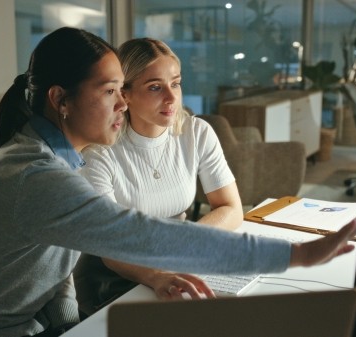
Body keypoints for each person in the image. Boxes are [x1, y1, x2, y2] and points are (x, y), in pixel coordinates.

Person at [0, 27, 356, 337]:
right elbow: (144, 237)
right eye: (111, 91)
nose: (122, 105)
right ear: (62, 100)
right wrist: (294, 255)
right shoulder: (34, 175)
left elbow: (57, 279)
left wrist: (72, 330)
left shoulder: (58, 160)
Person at [74, 38, 243, 315]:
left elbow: (232, 208)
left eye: (175, 83)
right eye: (155, 87)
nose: (172, 97)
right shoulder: (101, 152)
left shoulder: (196, 132)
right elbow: (109, 247)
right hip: (113, 282)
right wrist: (157, 275)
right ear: (124, 94)